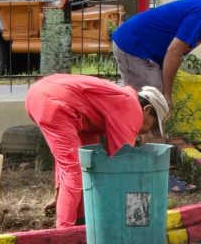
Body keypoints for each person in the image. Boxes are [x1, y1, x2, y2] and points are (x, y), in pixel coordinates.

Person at [25, 74, 169, 228]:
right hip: (55, 102)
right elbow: (123, 164)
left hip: (43, 95)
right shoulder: (131, 107)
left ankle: (81, 219)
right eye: (152, 125)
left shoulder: (119, 100)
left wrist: (62, 196)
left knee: (90, 163)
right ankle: (64, 231)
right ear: (146, 110)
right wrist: (138, 217)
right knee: (74, 170)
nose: (147, 132)